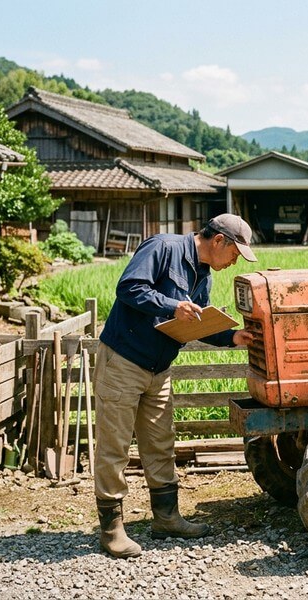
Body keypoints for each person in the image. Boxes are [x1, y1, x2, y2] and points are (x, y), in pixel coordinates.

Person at [93, 214, 257, 558]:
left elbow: (195, 322)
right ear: (218, 241)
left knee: (160, 442)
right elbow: (129, 288)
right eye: (236, 253)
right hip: (123, 360)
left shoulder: (204, 277)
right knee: (115, 445)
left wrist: (231, 337)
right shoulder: (163, 247)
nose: (235, 261)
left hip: (159, 368)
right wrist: (172, 305)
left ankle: (166, 518)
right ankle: (111, 530)